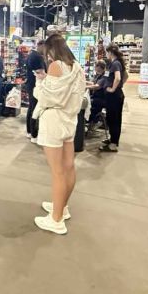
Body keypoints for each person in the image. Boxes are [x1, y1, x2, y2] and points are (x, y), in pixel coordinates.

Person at [33, 34, 86, 235]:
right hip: (70, 120)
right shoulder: (77, 68)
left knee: (57, 172)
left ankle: (56, 220)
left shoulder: (56, 66)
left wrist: (40, 82)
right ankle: (61, 207)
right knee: (68, 167)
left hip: (54, 121)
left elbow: (46, 98)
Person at [102, 43, 127, 152]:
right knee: (112, 118)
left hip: (114, 96)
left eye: (107, 52)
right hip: (115, 95)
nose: (106, 54)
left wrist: (113, 88)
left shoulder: (115, 63)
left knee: (114, 119)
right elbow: (126, 76)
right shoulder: (115, 63)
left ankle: (113, 144)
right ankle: (112, 140)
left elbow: (118, 78)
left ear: (110, 52)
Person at [25, 39, 46, 143]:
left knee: (32, 108)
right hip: (35, 86)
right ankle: (34, 134)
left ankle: (30, 131)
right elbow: (40, 72)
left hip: (32, 84)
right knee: (35, 109)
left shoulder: (32, 55)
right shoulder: (37, 57)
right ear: (40, 45)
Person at [86, 60, 110, 133]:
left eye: (96, 66)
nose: (95, 68)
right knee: (89, 102)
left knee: (89, 104)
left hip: (101, 99)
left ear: (99, 67)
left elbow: (97, 86)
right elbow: (94, 83)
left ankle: (94, 122)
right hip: (97, 97)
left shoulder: (105, 75)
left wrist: (85, 87)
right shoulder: (99, 74)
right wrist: (84, 82)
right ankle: (91, 122)